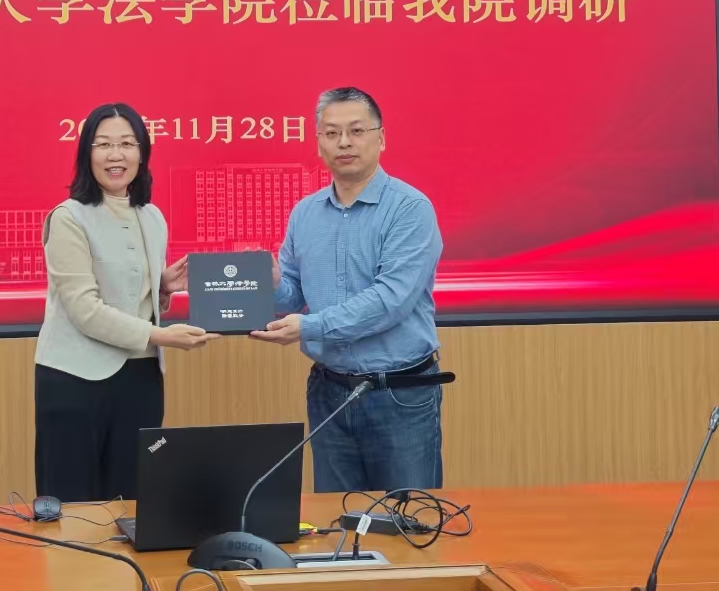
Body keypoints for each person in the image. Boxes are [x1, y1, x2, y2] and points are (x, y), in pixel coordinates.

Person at [251, 86, 444, 493]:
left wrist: (309, 327)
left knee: (408, 517)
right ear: (319, 142)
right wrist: (272, 284)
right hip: (328, 392)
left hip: (398, 394)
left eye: (356, 131)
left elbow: (390, 300)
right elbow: (293, 297)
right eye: (331, 133)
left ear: (381, 138)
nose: (344, 142)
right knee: (338, 518)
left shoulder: (410, 209)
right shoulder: (305, 213)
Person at [34, 102, 219, 502]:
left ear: (142, 152)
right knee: (73, 507)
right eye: (103, 144)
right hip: (75, 380)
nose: (115, 155)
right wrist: (161, 335)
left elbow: (131, 296)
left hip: (141, 379)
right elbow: (85, 311)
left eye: (126, 144)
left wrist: (162, 288)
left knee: (135, 501)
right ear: (87, 153)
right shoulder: (68, 218)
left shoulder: (152, 217)